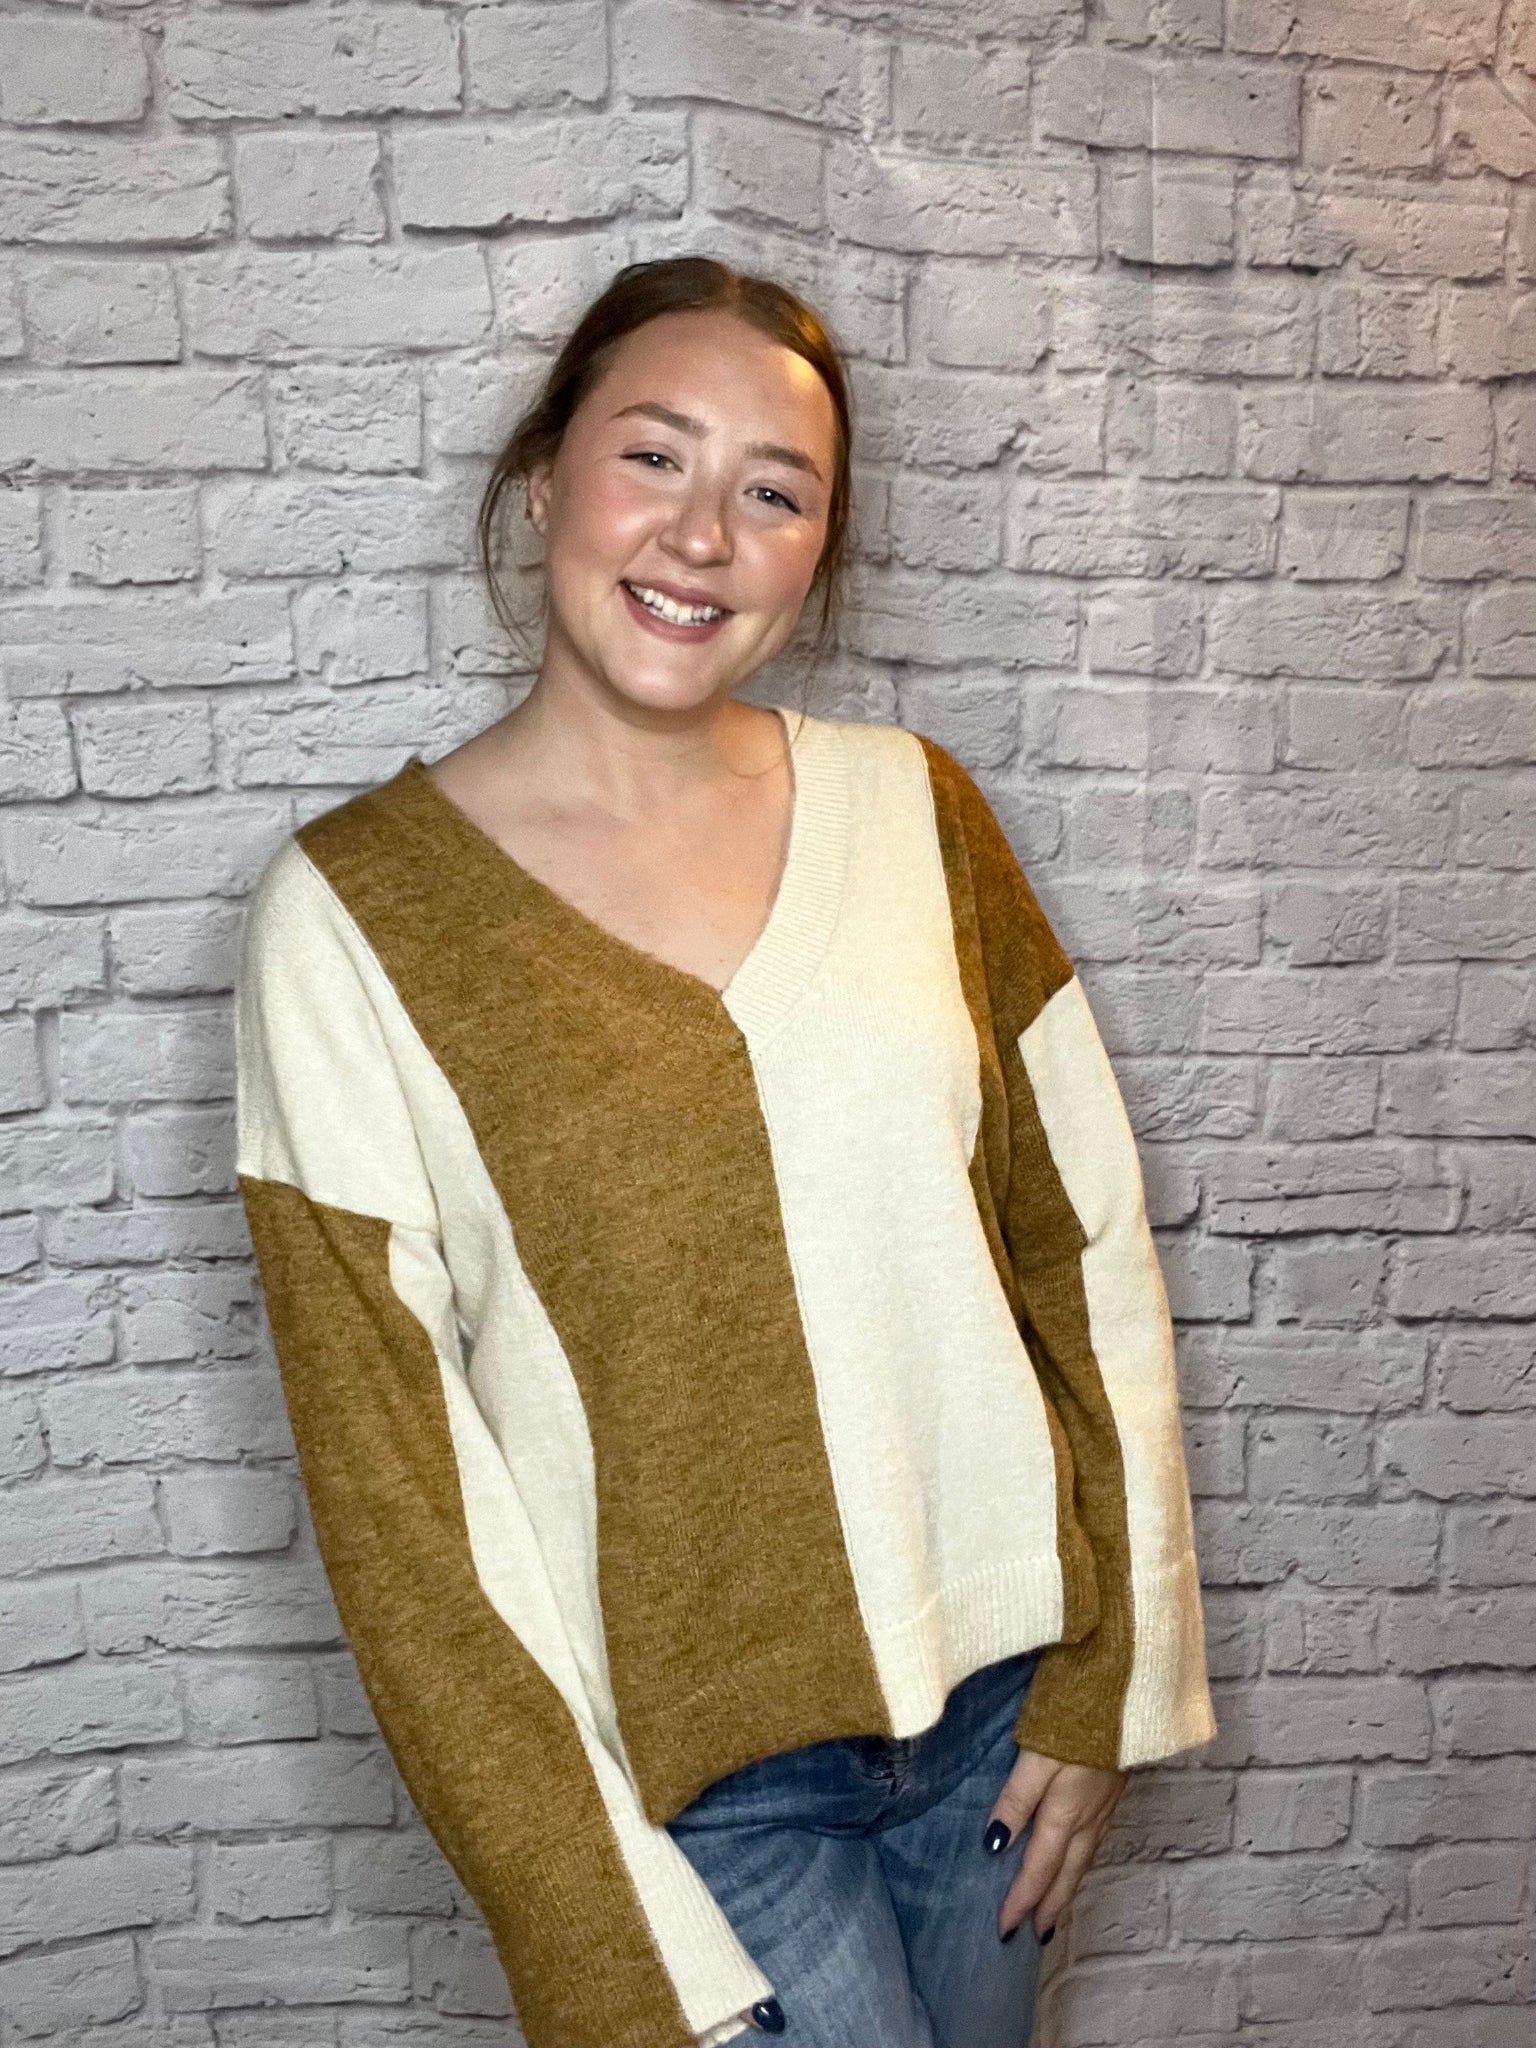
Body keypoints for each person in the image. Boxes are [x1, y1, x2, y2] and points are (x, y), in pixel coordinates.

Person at [235, 255, 1216, 2048]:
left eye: (775, 492)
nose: (701, 535)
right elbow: (400, 1500)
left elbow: (1081, 1245)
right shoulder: (351, 921)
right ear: (545, 476)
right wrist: (585, 1916)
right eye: (653, 457)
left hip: (998, 1722)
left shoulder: (919, 815)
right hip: (687, 1789)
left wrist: (1110, 1676)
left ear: (819, 553)